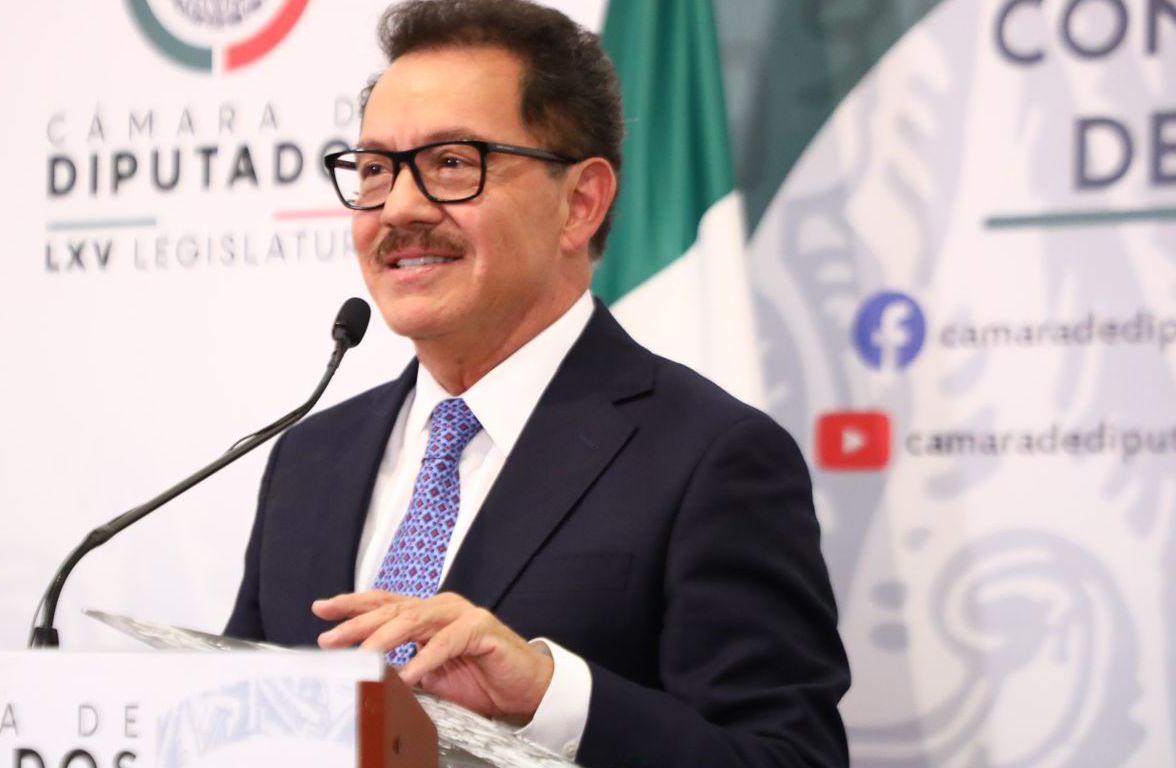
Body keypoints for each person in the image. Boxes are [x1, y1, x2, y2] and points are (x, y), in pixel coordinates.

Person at [224, 1, 850, 765]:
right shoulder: (311, 456)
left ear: (580, 203)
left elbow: (789, 757)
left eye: (453, 163)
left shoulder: (711, 458)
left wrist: (551, 697)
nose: (401, 208)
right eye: (377, 169)